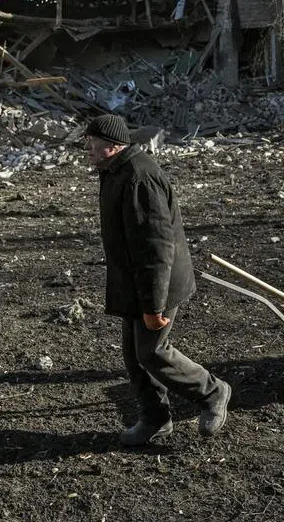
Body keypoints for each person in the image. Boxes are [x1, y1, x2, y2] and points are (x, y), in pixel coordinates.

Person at [84, 114, 231, 446]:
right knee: (134, 355)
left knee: (153, 352)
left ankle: (213, 391)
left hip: (157, 284)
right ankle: (155, 420)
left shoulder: (139, 178)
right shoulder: (115, 171)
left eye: (91, 144)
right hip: (134, 283)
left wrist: (153, 306)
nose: (86, 150)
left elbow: (156, 249)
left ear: (111, 146)